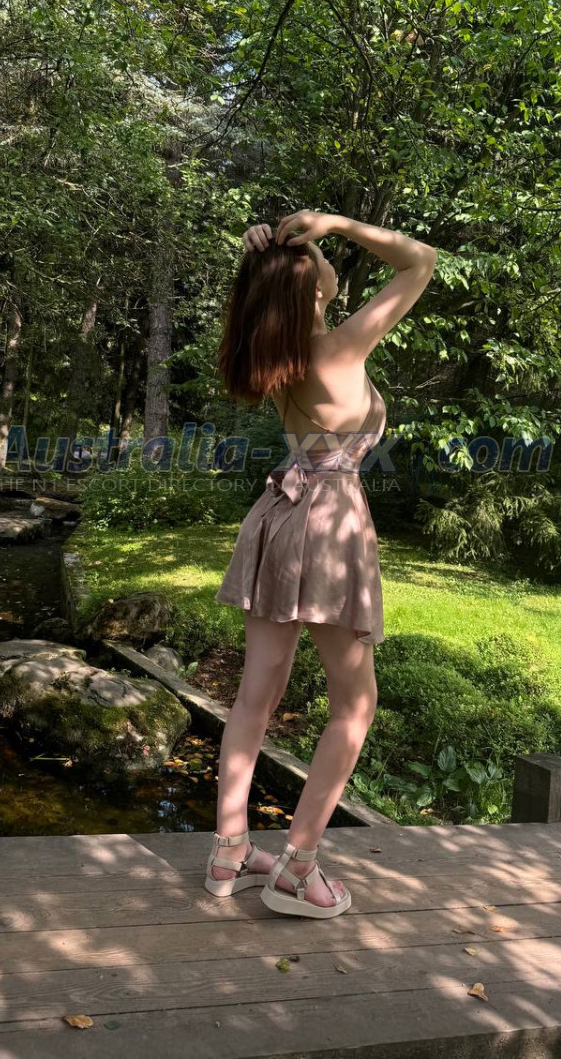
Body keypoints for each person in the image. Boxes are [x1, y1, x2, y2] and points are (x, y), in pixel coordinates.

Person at [206, 209, 437, 919]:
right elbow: (421, 260)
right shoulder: (337, 349)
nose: (331, 262)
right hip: (329, 525)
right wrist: (335, 223)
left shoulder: (277, 354)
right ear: (311, 287)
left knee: (256, 693)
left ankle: (230, 850)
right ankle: (298, 868)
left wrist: (262, 260)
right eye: (320, 260)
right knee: (355, 705)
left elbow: (273, 297)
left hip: (279, 516)